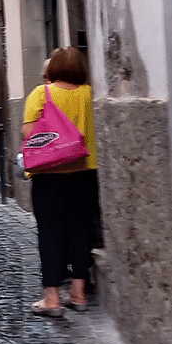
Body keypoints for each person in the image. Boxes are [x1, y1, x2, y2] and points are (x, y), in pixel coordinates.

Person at [22, 45, 98, 317]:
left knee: (50, 235)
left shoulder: (41, 94)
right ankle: (78, 294)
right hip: (85, 172)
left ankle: (51, 299)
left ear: (52, 68)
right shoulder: (91, 94)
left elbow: (30, 133)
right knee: (81, 231)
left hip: (49, 175)